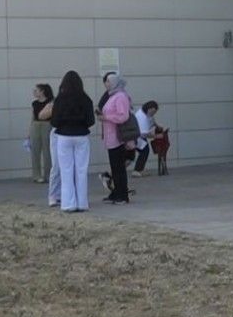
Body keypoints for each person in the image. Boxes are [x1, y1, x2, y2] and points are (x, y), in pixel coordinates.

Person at [51, 70, 95, 212]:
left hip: (64, 135)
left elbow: (54, 121)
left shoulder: (59, 100)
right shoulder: (86, 99)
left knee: (66, 170)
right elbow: (91, 121)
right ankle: (82, 203)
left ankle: (68, 204)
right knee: (81, 170)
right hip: (81, 135)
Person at [99, 73, 134, 204]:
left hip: (118, 137)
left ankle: (122, 195)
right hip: (111, 136)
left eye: (108, 81)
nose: (106, 84)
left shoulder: (120, 96)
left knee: (119, 167)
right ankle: (116, 192)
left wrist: (106, 117)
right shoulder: (112, 95)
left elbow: (123, 116)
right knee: (115, 167)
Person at [131, 100, 163, 178]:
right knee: (144, 151)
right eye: (153, 112)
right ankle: (137, 170)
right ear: (149, 109)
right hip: (137, 136)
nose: (153, 114)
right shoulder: (142, 118)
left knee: (144, 151)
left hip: (139, 135)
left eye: (155, 112)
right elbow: (144, 134)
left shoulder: (147, 113)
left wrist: (157, 126)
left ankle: (139, 169)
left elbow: (152, 121)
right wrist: (157, 136)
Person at [29, 84, 54, 184]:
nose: (34, 92)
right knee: (35, 151)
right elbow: (32, 117)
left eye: (36, 90)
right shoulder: (34, 103)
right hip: (35, 125)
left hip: (47, 125)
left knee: (47, 151)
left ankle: (48, 175)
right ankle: (37, 175)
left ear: (42, 91)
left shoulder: (50, 102)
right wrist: (29, 131)